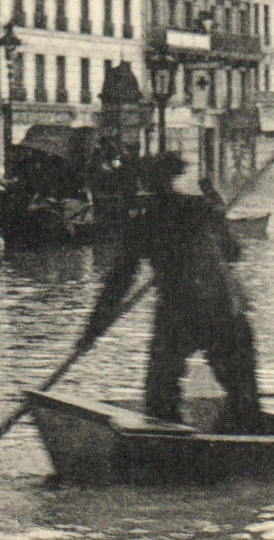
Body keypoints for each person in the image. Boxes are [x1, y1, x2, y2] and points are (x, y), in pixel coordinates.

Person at [76, 152, 261, 429]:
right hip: (219, 307)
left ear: (147, 185)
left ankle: (181, 447)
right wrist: (218, 216)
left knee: (161, 397)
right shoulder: (199, 209)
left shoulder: (145, 223)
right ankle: (239, 438)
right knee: (241, 394)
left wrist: (93, 329)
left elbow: (118, 283)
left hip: (187, 310)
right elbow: (233, 253)